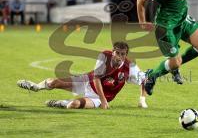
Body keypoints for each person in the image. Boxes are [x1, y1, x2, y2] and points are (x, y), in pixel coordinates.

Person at [17, 42, 148, 109]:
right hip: (88, 82)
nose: (119, 57)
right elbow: (96, 78)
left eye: (123, 54)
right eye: (117, 53)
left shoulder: (130, 68)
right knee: (53, 83)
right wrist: (104, 102)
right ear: (113, 52)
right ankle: (35, 86)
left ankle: (59, 103)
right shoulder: (105, 56)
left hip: (96, 97)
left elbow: (145, 79)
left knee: (73, 105)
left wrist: (142, 100)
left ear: (126, 55)